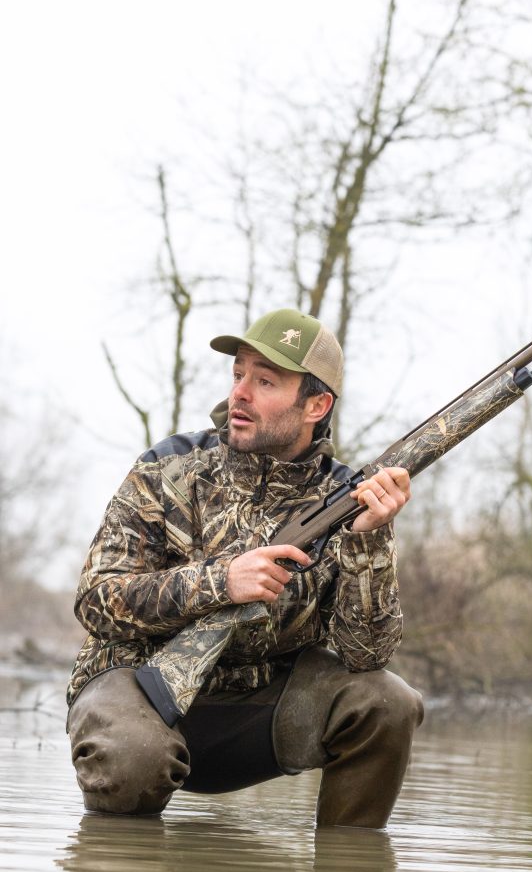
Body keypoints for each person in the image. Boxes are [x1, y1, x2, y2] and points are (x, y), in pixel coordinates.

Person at [67, 308, 423, 828]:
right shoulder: (167, 468)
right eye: (238, 375)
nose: (240, 393)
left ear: (316, 405)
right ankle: (124, 870)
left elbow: (367, 655)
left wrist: (369, 540)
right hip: (137, 693)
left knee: (388, 704)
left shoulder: (345, 500)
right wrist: (221, 582)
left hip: (259, 717)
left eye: (265, 381)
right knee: (133, 756)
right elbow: (96, 600)